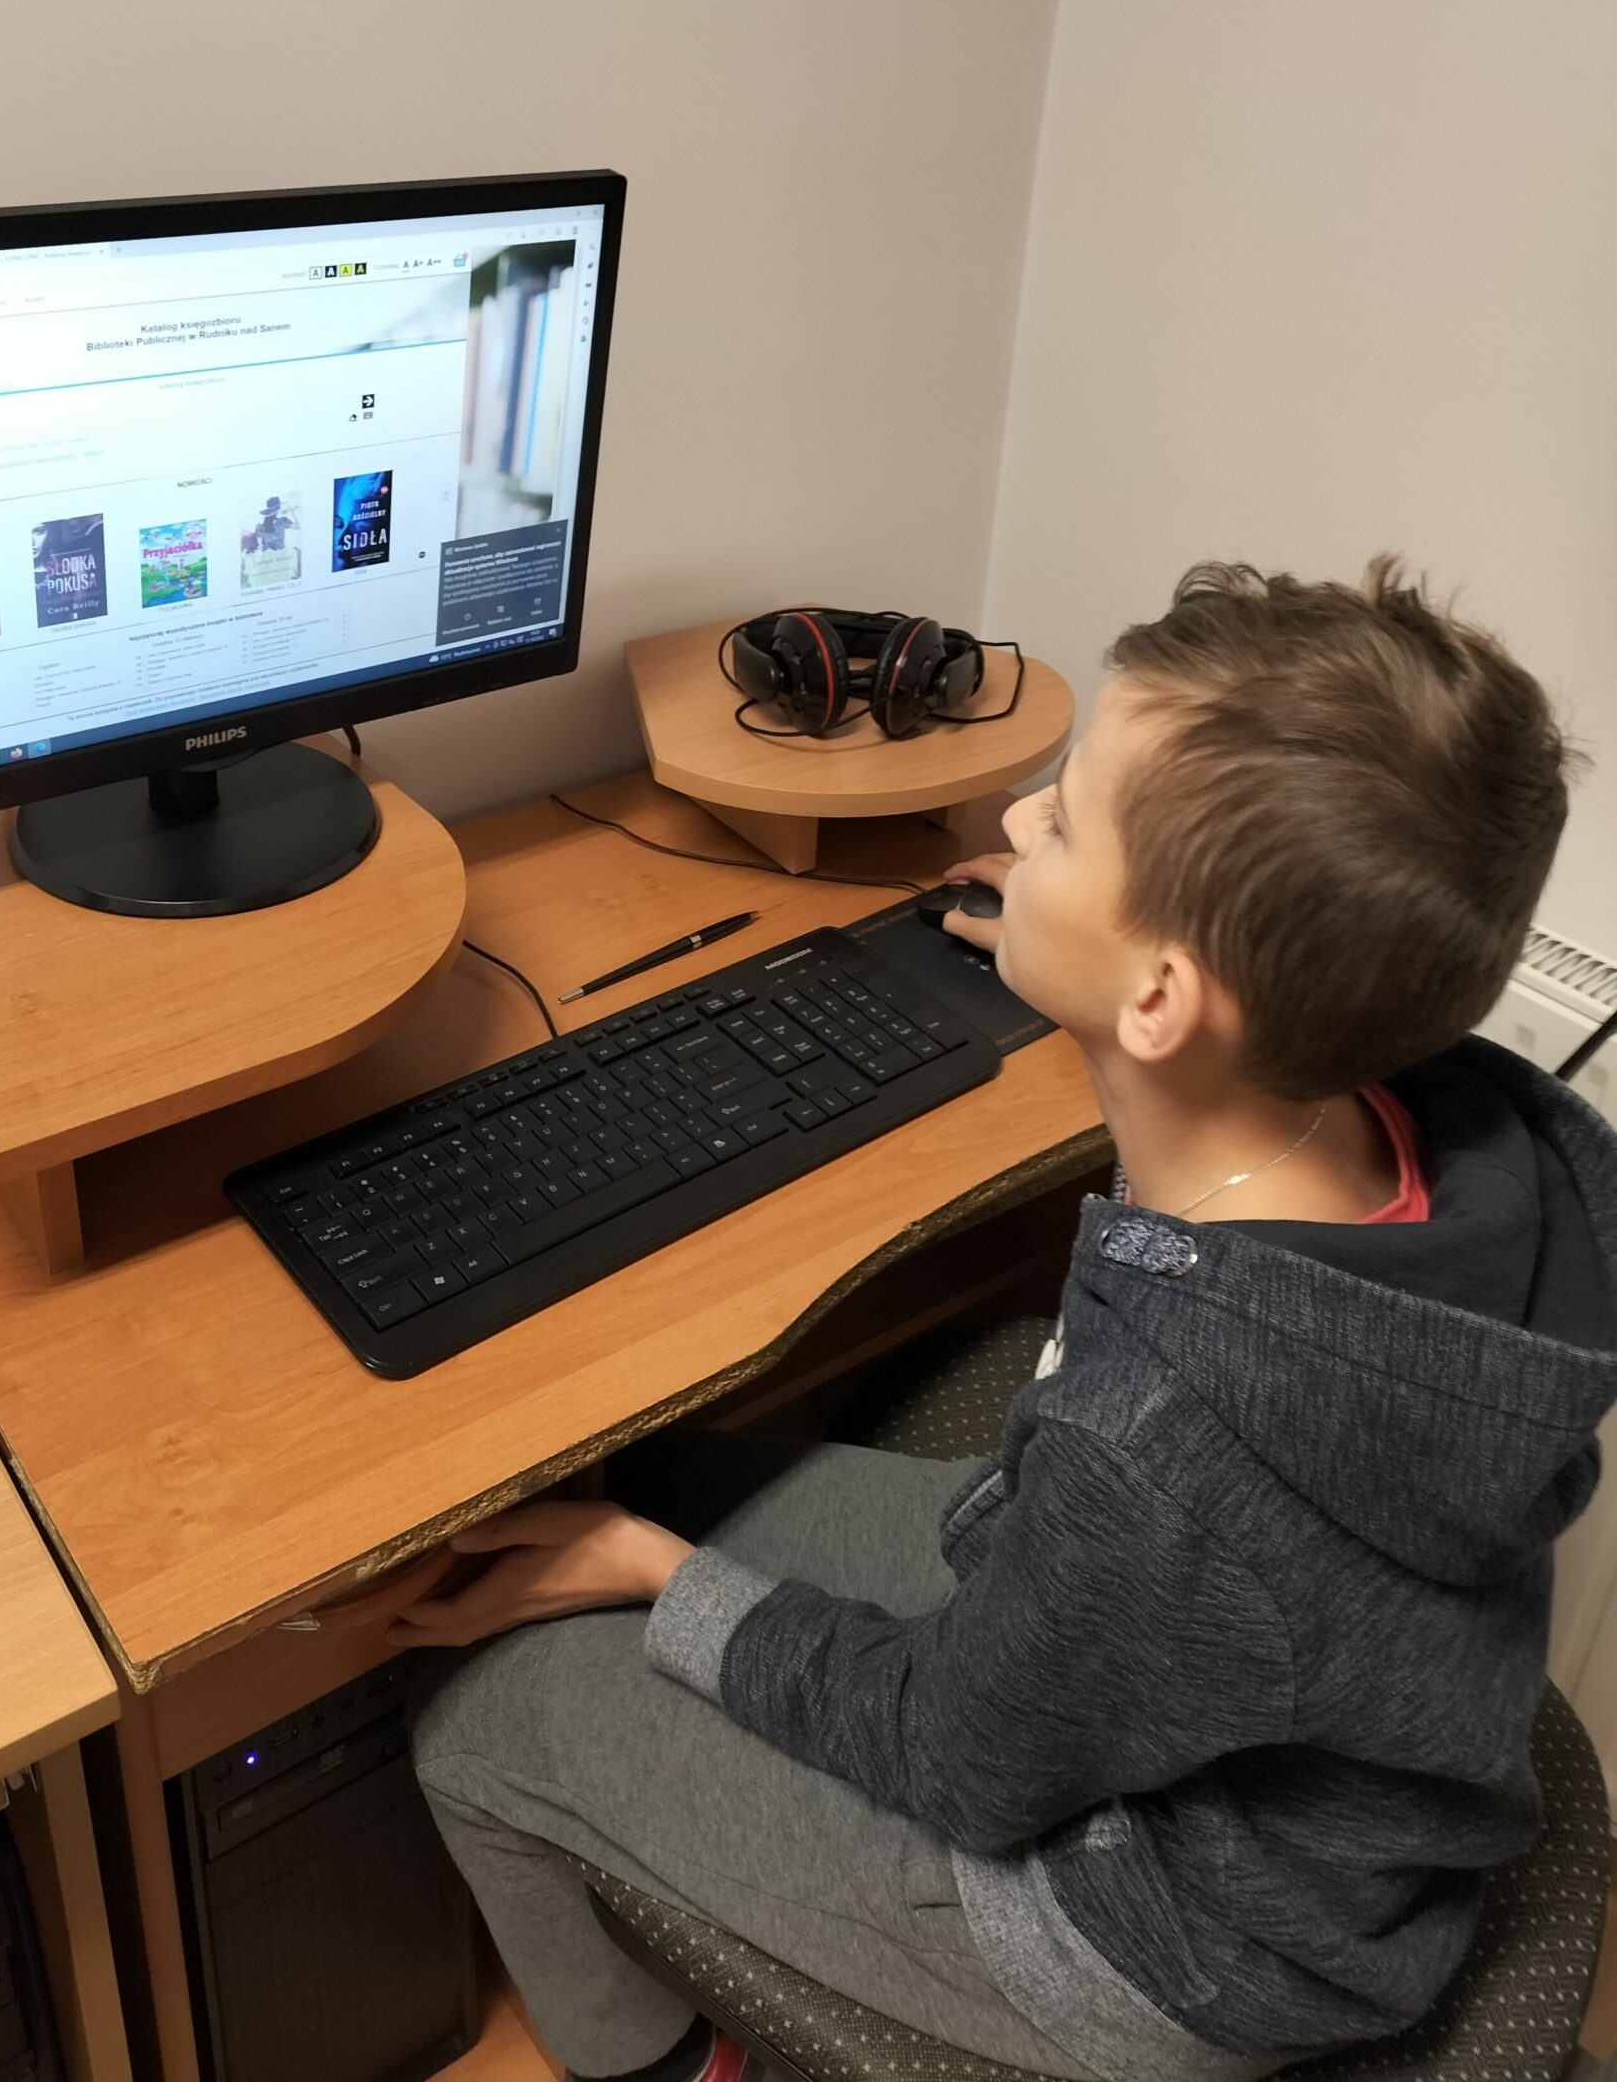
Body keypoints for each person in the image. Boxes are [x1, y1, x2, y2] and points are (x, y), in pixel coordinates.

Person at [399, 558, 1617, 2082]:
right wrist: (1071, 965)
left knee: (481, 1718)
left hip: (1161, 1934)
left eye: (1067, 821)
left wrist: (660, 1578)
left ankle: (673, 2067)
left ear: (1170, 996)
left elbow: (958, 1759)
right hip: (1296, 1774)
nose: (1020, 821)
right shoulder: (1425, 1120)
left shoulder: (1161, 1451)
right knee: (651, 1483)